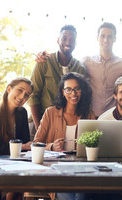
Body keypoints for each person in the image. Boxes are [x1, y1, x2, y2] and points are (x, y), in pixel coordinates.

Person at [36, 22, 122, 118]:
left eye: (110, 36)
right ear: (97, 37)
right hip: (91, 116)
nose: (106, 40)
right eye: (102, 36)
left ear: (114, 39)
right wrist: (44, 55)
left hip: (113, 116)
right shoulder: (86, 62)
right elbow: (66, 58)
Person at [33, 72, 95, 200]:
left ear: (82, 91)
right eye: (68, 89)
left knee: (81, 195)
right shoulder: (50, 112)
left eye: (77, 88)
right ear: (63, 91)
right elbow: (35, 144)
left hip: (81, 170)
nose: (73, 93)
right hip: (56, 169)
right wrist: (51, 146)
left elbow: (94, 145)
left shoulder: (89, 115)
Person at [27, 25, 88, 134]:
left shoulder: (80, 68)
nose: (68, 43)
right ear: (58, 40)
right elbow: (33, 95)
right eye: (64, 38)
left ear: (76, 43)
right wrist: (39, 127)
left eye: (72, 40)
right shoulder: (44, 62)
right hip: (41, 121)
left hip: (67, 125)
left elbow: (82, 98)